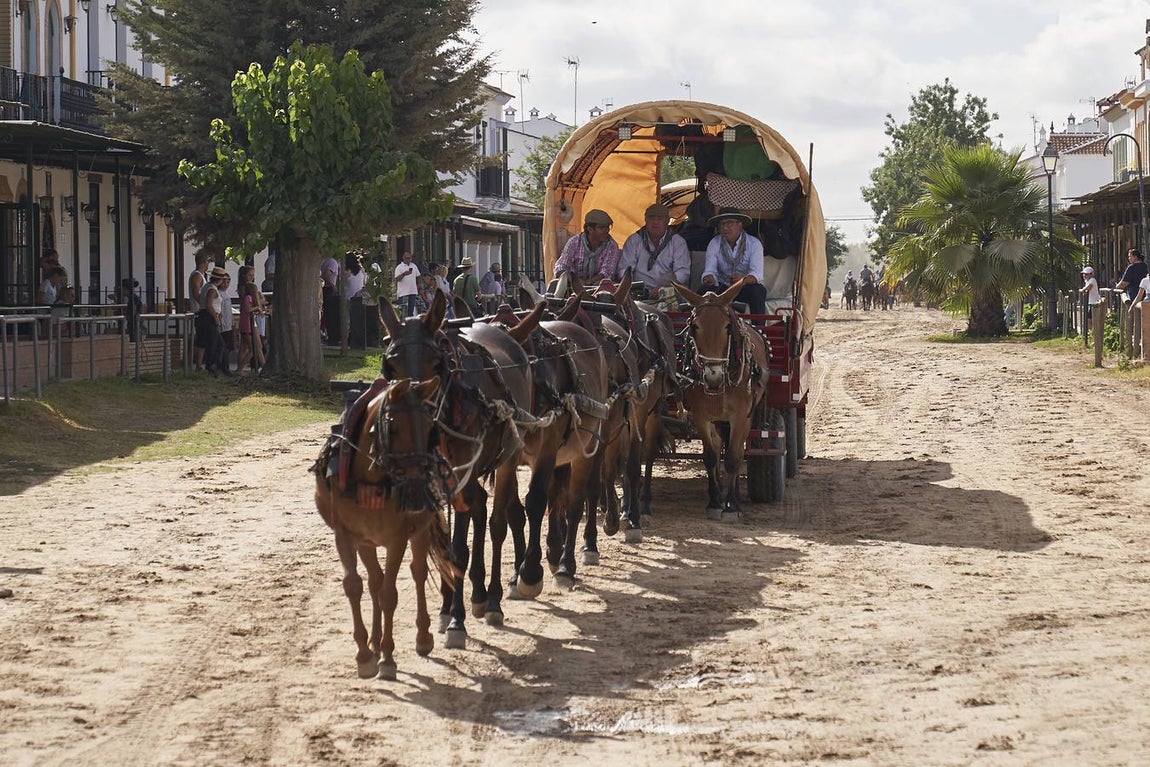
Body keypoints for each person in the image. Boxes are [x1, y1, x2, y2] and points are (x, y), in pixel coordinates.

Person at [700, 208, 766, 314]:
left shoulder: (754, 244)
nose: (725, 228)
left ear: (740, 225)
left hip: (743, 287)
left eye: (729, 223)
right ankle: (701, 327)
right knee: (704, 290)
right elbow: (710, 269)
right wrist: (709, 278)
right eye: (722, 224)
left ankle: (758, 328)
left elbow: (757, 274)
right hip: (722, 287)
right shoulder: (715, 243)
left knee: (758, 291)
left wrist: (742, 280)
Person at [618, 203, 691, 294]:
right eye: (651, 218)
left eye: (659, 219)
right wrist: (629, 286)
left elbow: (683, 271)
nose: (655, 222)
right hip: (638, 290)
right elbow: (624, 269)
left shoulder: (678, 242)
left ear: (667, 221)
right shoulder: (634, 240)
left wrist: (664, 287)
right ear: (645, 220)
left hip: (669, 289)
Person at [554, 208, 621, 283]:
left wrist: (587, 283)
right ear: (590, 229)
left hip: (598, 286)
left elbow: (606, 273)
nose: (606, 231)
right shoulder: (574, 242)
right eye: (601, 228)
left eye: (607, 227)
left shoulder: (612, 246)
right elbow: (561, 266)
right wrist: (573, 280)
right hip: (573, 284)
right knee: (555, 285)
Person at [1115, 247, 1148, 357]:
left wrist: (1116, 286)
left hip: (1134, 296)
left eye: (1129, 256)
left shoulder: (1132, 268)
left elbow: (1124, 282)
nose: (1128, 258)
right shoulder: (1145, 266)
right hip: (1145, 297)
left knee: (1133, 322)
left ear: (1135, 257)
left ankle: (1133, 349)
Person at [195, 267, 227, 376]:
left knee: (210, 343)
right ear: (220, 280)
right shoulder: (212, 290)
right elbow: (209, 306)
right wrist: (216, 318)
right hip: (209, 318)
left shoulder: (206, 287)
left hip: (204, 317)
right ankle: (212, 365)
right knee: (218, 344)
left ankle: (210, 366)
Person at [1084, 266, 1105, 367]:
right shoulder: (1088, 280)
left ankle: (1093, 336)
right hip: (1091, 303)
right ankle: (1092, 334)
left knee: (1090, 321)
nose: (1085, 276)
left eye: (1086, 274)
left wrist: (1083, 289)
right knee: (1089, 321)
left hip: (1094, 303)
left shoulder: (1092, 280)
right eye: (1084, 274)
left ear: (1091, 274)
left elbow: (1088, 288)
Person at [217, 270, 236, 374]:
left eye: (228, 282)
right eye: (224, 282)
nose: (226, 285)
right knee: (223, 347)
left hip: (228, 324)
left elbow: (229, 310)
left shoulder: (226, 294)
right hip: (222, 324)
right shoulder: (218, 294)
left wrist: (233, 322)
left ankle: (225, 366)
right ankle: (223, 366)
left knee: (228, 347)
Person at [394, 250, 421, 317]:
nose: (408, 260)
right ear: (403, 258)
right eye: (406, 258)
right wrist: (404, 274)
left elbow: (418, 276)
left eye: (409, 258)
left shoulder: (413, 266)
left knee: (411, 310)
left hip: (412, 291)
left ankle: (410, 324)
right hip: (403, 293)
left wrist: (419, 285)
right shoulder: (399, 267)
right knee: (403, 310)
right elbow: (397, 279)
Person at [320, 253, 340, 343]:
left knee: (325, 311)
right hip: (328, 288)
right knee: (330, 312)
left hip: (323, 288)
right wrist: (333, 286)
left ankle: (324, 331)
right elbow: (327, 274)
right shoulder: (333, 262)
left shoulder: (324, 260)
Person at [118, 278, 143, 342]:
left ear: (126, 289)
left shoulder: (133, 299)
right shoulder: (132, 298)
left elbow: (133, 312)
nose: (121, 291)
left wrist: (126, 316)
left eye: (122, 289)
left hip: (136, 327)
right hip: (135, 327)